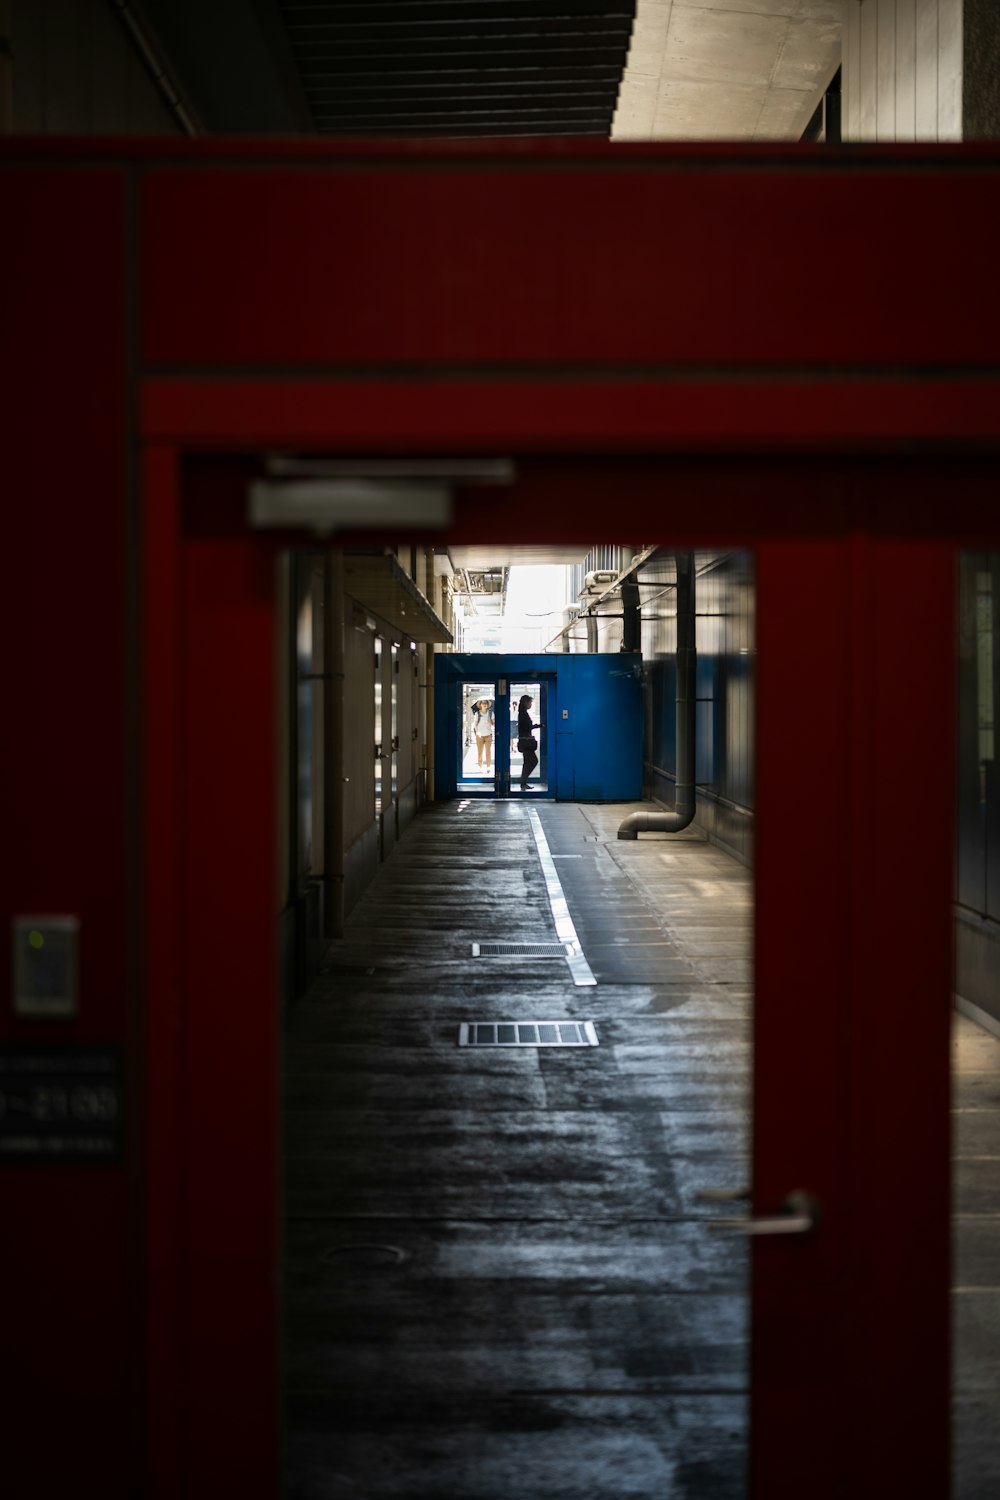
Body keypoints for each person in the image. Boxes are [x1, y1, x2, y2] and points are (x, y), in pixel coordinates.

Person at [516, 694, 539, 791]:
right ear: (525, 703)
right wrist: (536, 726)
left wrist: (537, 726)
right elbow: (526, 727)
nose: (531, 704)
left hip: (524, 741)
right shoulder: (523, 714)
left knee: (527, 762)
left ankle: (523, 782)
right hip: (526, 742)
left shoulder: (523, 712)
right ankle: (523, 782)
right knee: (533, 761)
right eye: (530, 702)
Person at [472, 698, 494, 768]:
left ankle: (488, 766)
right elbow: (475, 724)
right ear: (480, 705)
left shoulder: (491, 713)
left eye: (486, 703)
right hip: (480, 735)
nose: (485, 704)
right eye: (483, 703)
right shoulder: (477, 713)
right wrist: (477, 732)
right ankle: (480, 766)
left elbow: (493, 723)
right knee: (480, 752)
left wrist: (490, 722)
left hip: (488, 735)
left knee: (488, 752)